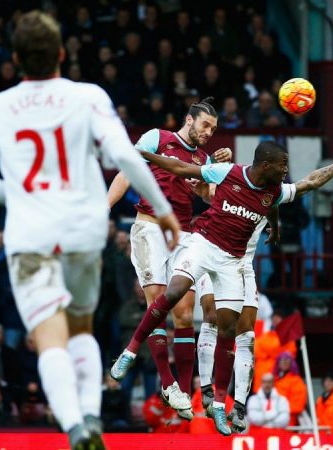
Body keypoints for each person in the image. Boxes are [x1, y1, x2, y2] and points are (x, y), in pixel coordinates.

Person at [0, 11, 178, 450]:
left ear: (17, 59)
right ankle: (94, 417)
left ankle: (74, 426)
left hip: (32, 235)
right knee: (80, 327)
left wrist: (23, 197)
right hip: (84, 230)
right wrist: (163, 209)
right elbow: (127, 156)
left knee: (50, 337)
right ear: (62, 53)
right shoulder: (89, 97)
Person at [111, 141, 333, 434]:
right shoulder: (227, 172)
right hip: (203, 244)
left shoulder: (274, 192)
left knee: (229, 331)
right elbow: (181, 167)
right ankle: (129, 352)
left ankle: (220, 405)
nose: (287, 171)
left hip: (233, 263)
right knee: (172, 294)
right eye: (283, 165)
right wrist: (142, 154)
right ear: (266, 165)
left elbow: (309, 182)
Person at [105, 96, 232, 420]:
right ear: (189, 120)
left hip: (183, 235)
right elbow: (126, 174)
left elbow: (209, 198)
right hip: (149, 227)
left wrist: (206, 181)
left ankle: (183, 389)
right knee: (157, 306)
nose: (208, 132)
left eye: (213, 129)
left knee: (185, 314)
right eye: (205, 125)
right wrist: (103, 208)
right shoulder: (157, 139)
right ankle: (167, 382)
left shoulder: (203, 158)